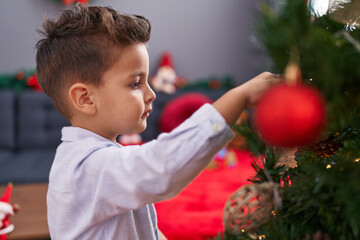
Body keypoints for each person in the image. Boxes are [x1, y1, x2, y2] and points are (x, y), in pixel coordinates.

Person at [35, 3, 282, 240]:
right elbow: (163, 166)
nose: (151, 94)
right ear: (86, 99)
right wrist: (239, 97)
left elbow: (144, 230)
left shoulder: (100, 158)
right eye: (135, 83)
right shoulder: (86, 168)